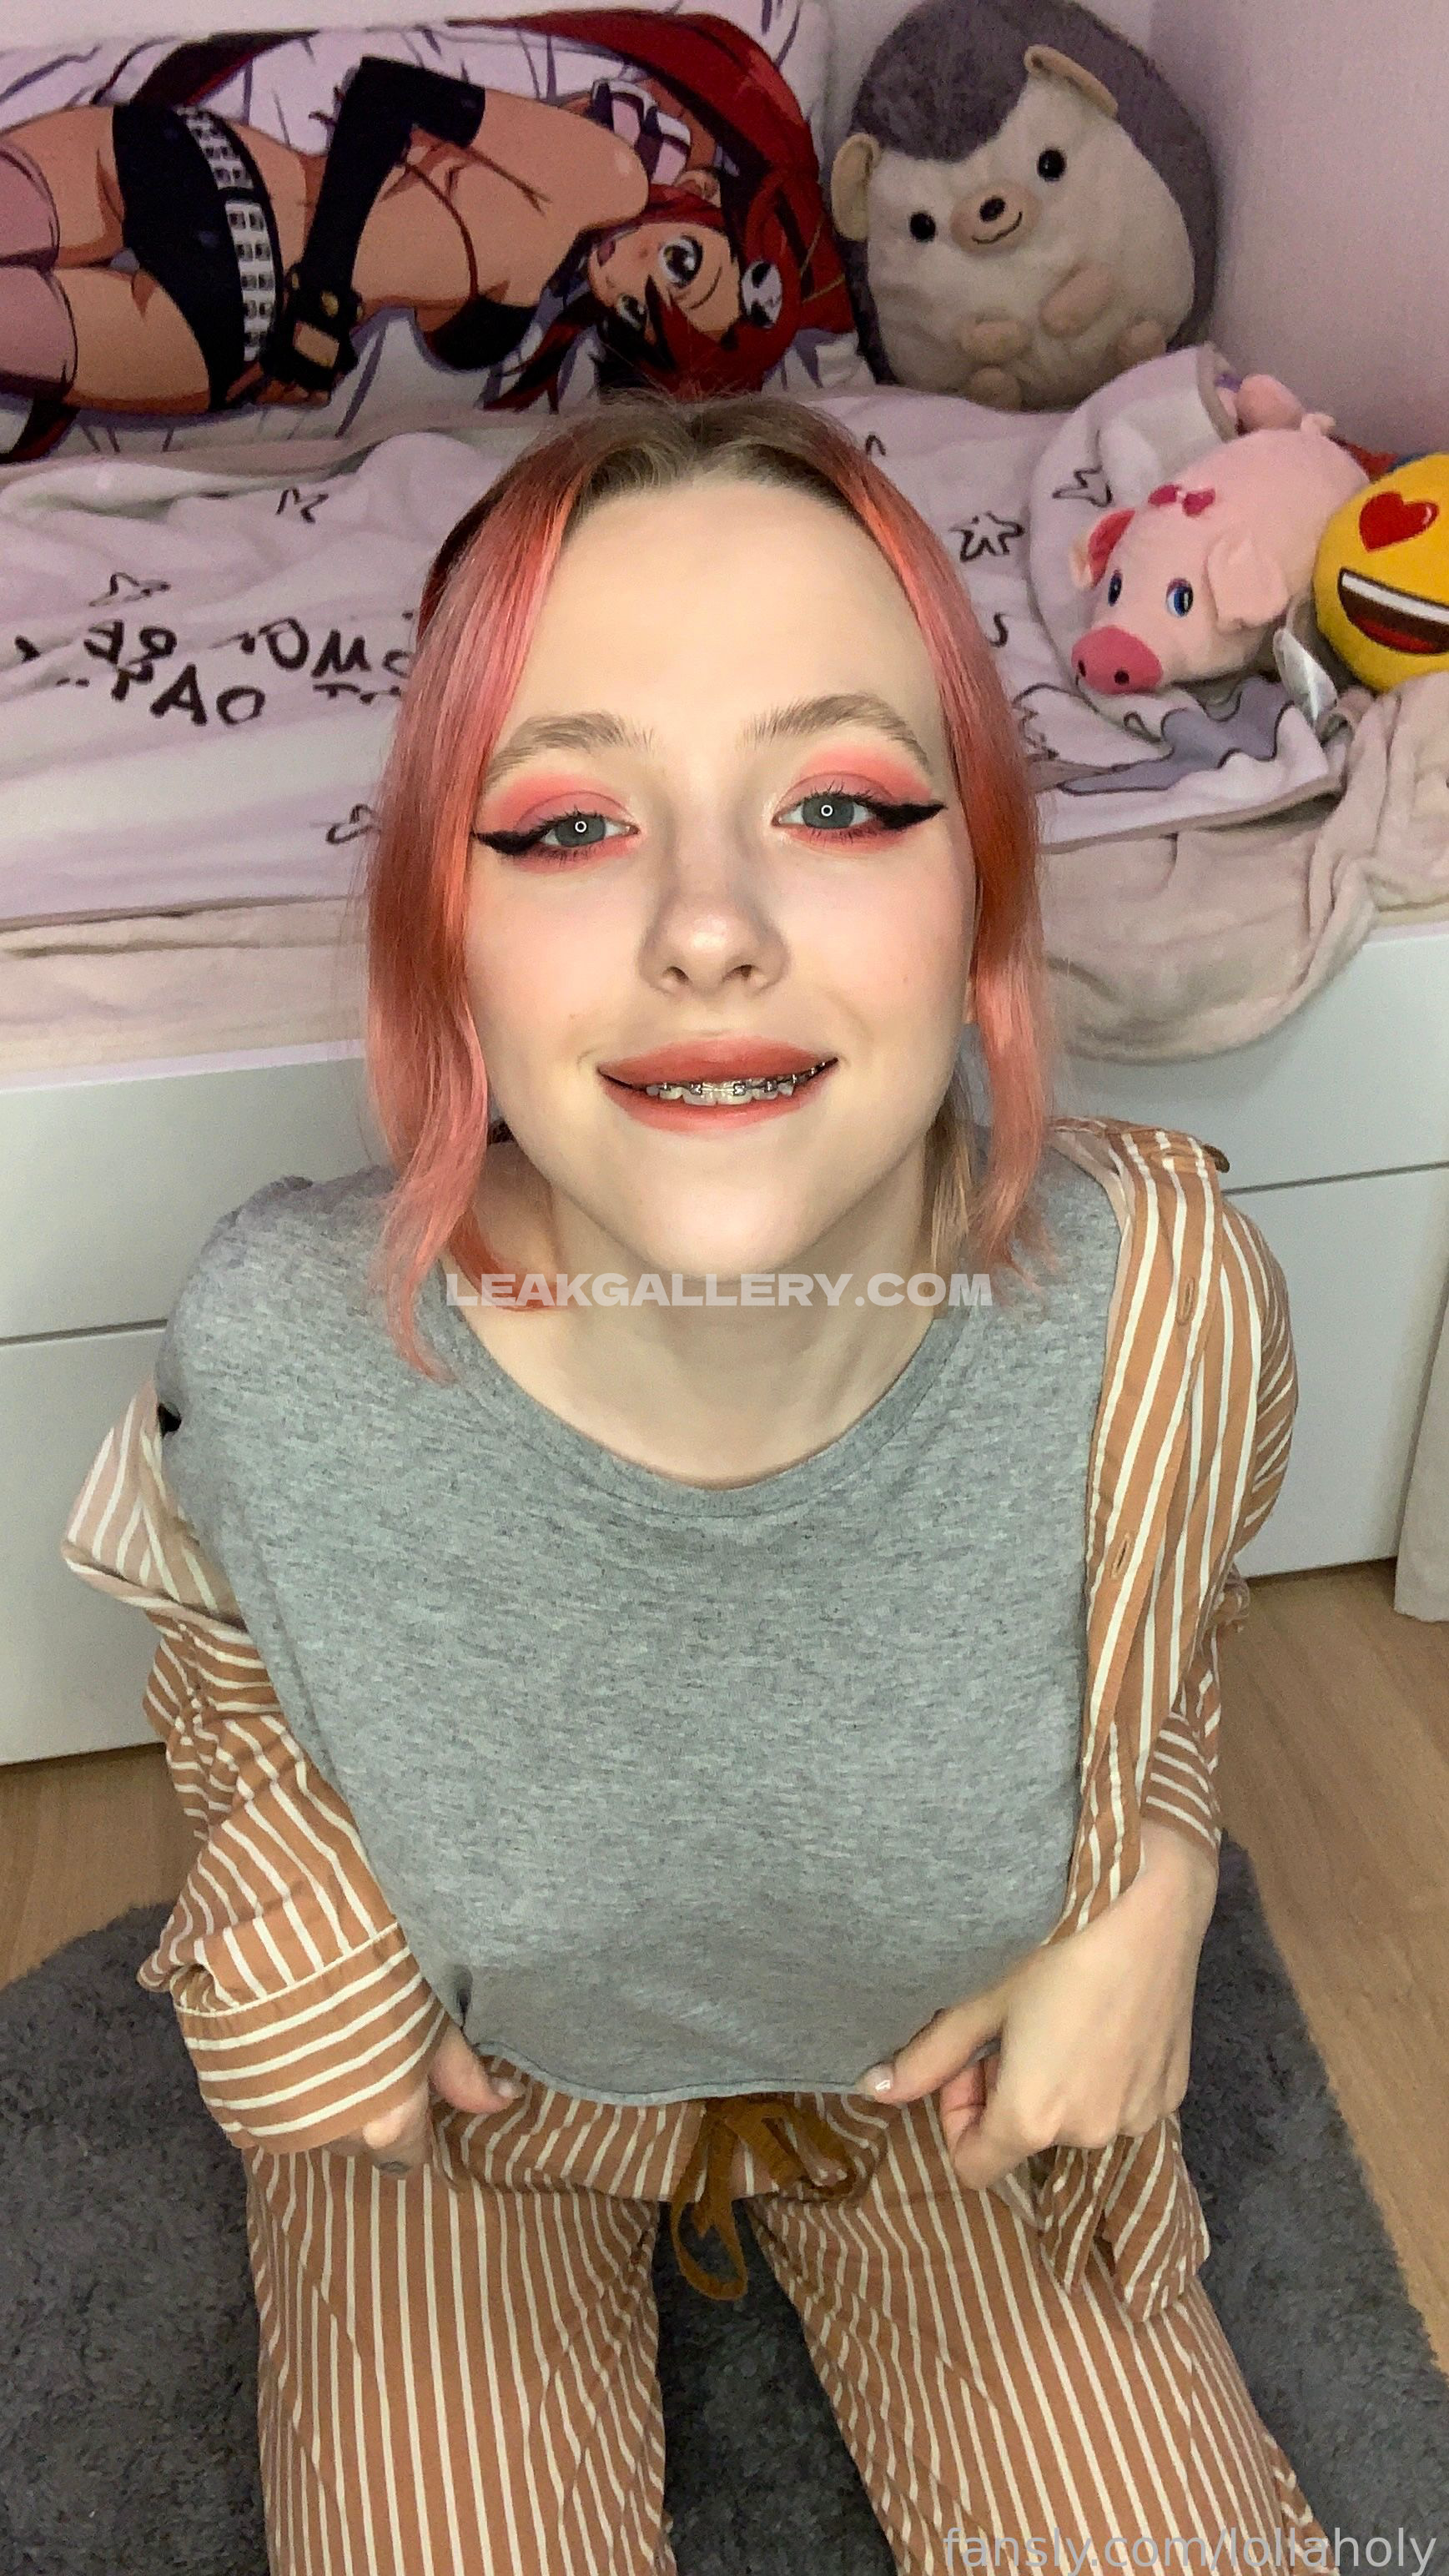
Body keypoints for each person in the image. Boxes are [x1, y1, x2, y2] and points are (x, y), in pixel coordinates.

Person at [61, 389, 1337, 2573]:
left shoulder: (1161, 1301)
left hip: (937, 2082)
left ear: (981, 881)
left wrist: (1157, 1878)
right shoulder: (284, 1347)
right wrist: (290, 1900)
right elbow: (217, 1626)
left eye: (838, 802)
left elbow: (1163, 1619)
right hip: (468, 2117)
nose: (711, 925)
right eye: (566, 824)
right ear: (440, 924)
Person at [0, 12, 856, 430]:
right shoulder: (608, 173)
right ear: (699, 191)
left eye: (640, 317)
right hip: (239, 246)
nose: (626, 285)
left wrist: (321, 329)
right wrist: (324, 294)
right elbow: (385, 93)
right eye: (679, 265)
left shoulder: (541, 275)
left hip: (228, 275)